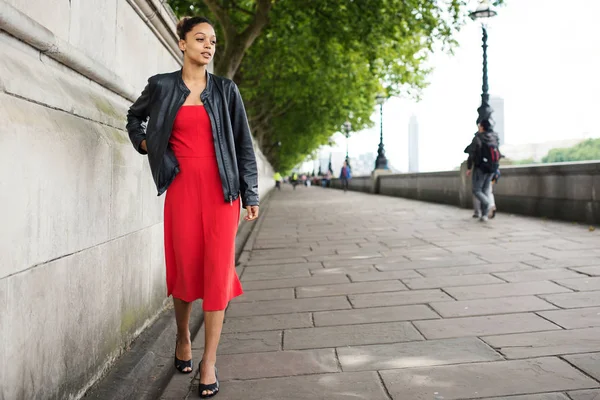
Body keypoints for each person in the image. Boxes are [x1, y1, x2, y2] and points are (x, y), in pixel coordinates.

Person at [126, 16, 259, 398]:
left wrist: (250, 193)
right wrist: (145, 144)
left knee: (217, 274)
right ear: (182, 43)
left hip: (222, 196)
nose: (208, 45)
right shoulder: (161, 86)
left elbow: (243, 145)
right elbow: (135, 118)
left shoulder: (226, 90)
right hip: (181, 191)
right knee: (184, 272)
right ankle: (183, 337)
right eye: (200, 38)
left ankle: (209, 361)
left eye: (213, 41)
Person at [466, 119, 500, 222]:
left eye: (479, 125)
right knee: (485, 190)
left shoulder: (478, 138)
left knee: (476, 190)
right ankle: (484, 215)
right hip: (492, 168)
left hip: (480, 167)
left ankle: (488, 204)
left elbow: (472, 153)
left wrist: (469, 167)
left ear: (482, 127)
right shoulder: (493, 137)